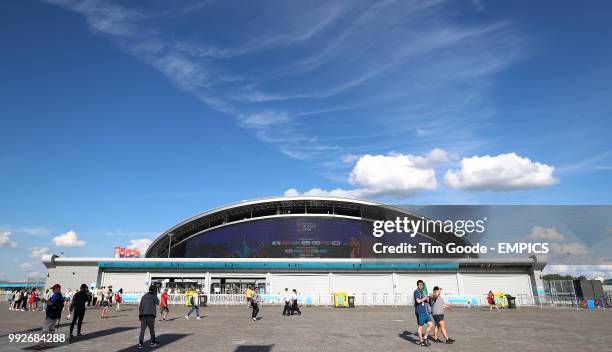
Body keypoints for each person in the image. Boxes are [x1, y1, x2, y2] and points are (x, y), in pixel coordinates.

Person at [38, 284, 64, 348]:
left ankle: (42, 342)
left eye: (53, 289)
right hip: (56, 315)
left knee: (45, 328)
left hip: (51, 314)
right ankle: (49, 342)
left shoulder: (56, 295)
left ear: (57, 289)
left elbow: (51, 303)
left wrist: (44, 301)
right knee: (52, 329)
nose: (52, 290)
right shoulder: (60, 296)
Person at [414, 280, 434, 346]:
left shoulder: (423, 291)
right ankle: (421, 341)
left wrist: (428, 298)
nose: (420, 285)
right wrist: (424, 298)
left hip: (425, 311)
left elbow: (426, 301)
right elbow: (418, 301)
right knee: (420, 326)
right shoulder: (416, 292)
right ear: (417, 285)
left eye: (422, 284)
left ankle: (425, 337)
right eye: (419, 284)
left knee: (431, 324)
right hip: (419, 311)